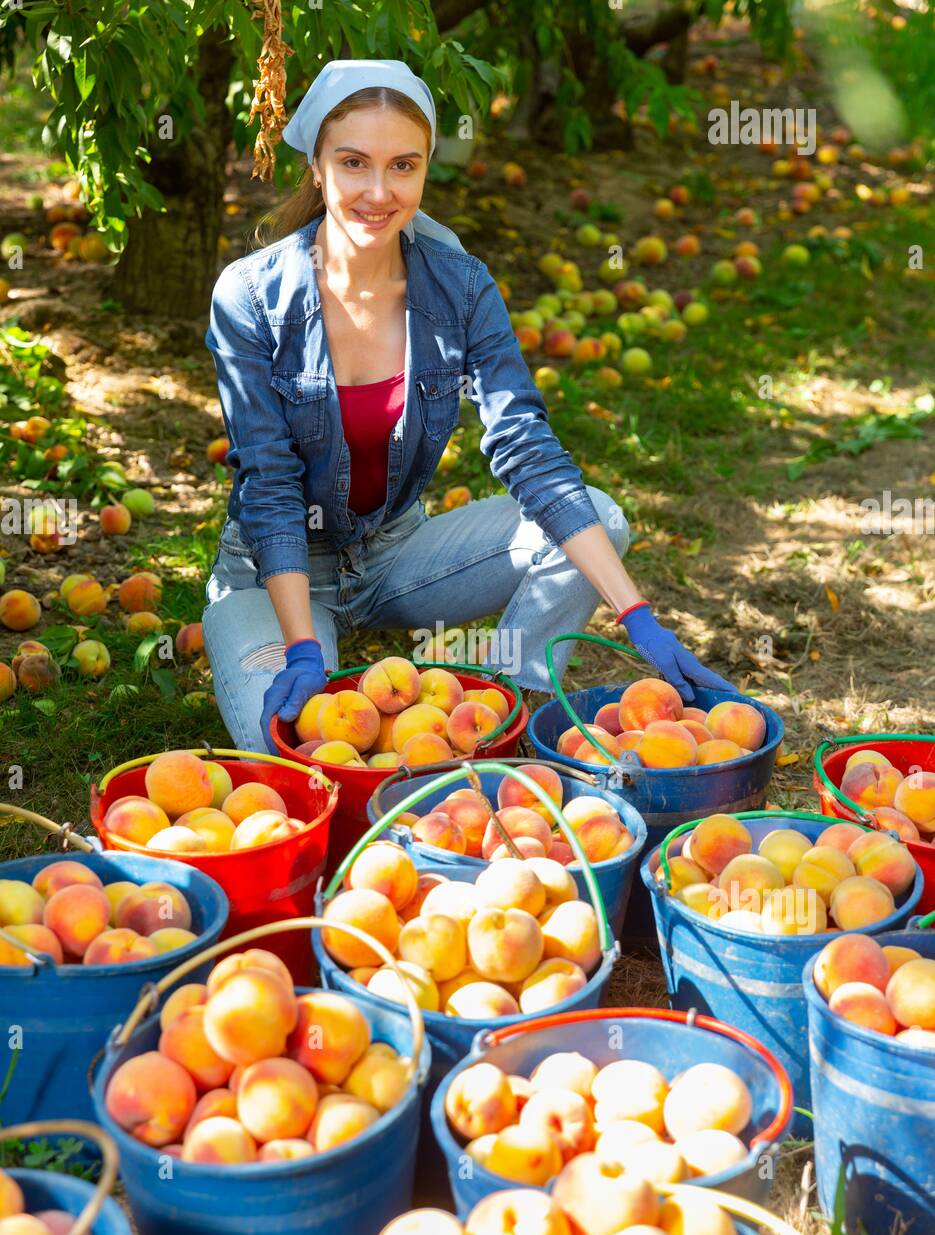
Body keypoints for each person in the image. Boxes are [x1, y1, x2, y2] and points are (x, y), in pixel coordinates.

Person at [202, 58, 735, 755]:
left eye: (403, 166)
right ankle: (313, 648)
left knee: (597, 516)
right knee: (300, 753)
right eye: (354, 162)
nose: (377, 190)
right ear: (315, 166)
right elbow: (268, 485)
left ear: (424, 171)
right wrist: (301, 647)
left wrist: (637, 616)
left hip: (396, 556)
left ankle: (506, 708)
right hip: (272, 574)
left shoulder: (458, 285)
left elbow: (525, 447)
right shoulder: (249, 296)